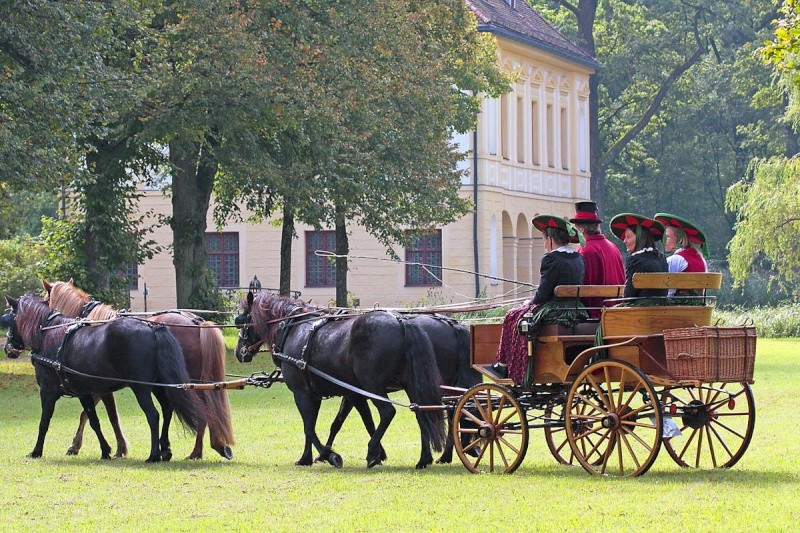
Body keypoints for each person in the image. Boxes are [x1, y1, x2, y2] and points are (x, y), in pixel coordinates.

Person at [491, 215, 586, 384]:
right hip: (576, 308)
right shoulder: (578, 258)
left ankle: (505, 364)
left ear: (549, 240)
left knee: (512, 315)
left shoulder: (551, 258)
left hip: (555, 309)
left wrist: (529, 302)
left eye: (544, 239)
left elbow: (542, 295)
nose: (544, 244)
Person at [570, 201, 626, 317]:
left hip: (597, 314)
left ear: (582, 230)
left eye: (576, 228)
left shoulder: (586, 250)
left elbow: (584, 286)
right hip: (618, 311)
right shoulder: (613, 246)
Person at [609, 213, 668, 299]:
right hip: (663, 310)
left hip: (640, 311)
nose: (624, 241)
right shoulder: (662, 258)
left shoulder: (635, 261)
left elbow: (628, 296)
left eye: (628, 237)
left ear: (640, 239)